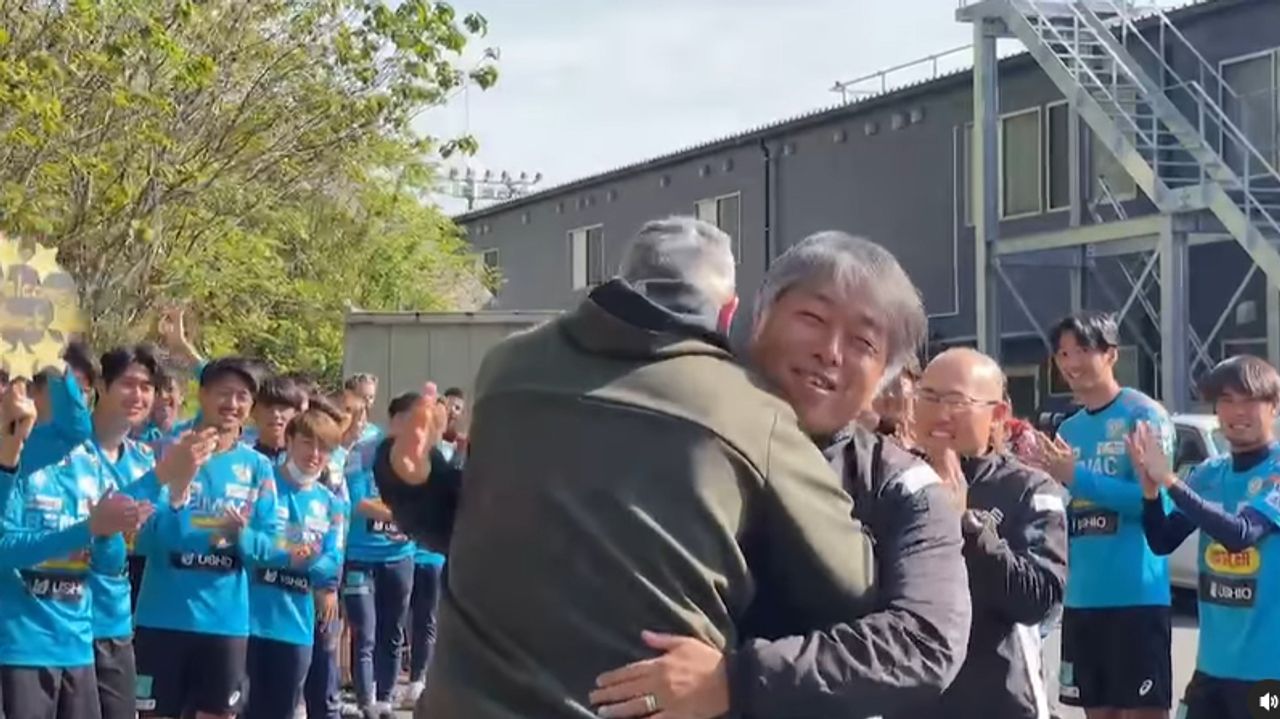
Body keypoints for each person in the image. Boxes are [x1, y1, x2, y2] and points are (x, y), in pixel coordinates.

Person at [376, 220, 970, 719]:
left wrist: (736, 678)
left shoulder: (901, 487)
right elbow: (513, 540)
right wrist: (418, 483)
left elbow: (925, 641)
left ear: (887, 377)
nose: (830, 352)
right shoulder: (672, 412)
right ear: (754, 316)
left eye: (864, 344)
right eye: (813, 319)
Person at [0, 365, 207, 719]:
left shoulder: (85, 464)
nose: (74, 402)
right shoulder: (14, 464)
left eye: (79, 392)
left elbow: (110, 560)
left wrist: (112, 528)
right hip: (20, 647)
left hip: (79, 642)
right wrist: (90, 527)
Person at [1026, 312, 1175, 719]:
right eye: (1063, 353)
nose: (1071, 363)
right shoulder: (1069, 431)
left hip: (1136, 598)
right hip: (1082, 600)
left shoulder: (1143, 416)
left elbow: (1156, 500)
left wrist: (1078, 477)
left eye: (1083, 350)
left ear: (1111, 354)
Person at [911, 348, 1068, 719]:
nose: (939, 412)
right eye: (928, 397)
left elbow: (1039, 600)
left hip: (999, 701)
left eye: (955, 400)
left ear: (998, 413)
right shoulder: (891, 477)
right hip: (912, 699)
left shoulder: (1030, 488)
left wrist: (967, 524)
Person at [1134, 355, 1280, 718]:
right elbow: (1162, 540)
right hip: (1211, 668)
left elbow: (1241, 534)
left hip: (1267, 673)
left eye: (1249, 400)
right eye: (1226, 401)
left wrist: (1169, 480)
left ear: (1274, 406)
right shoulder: (1209, 472)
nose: (1237, 411)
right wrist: (1151, 491)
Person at [132, 357, 278, 719]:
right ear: (203, 395)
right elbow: (144, 540)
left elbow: (272, 546)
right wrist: (178, 492)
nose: (232, 404)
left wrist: (241, 537)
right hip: (162, 617)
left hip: (225, 622)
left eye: (242, 396)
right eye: (223, 393)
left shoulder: (258, 467)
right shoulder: (165, 452)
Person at [241, 409, 345, 719]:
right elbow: (247, 543)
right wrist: (291, 554)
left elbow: (331, 562)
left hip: (295, 626)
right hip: (248, 619)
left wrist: (302, 559)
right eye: (306, 443)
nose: (314, 455)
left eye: (323, 448)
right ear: (288, 441)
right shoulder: (262, 483)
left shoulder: (332, 503)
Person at [344, 394, 418, 718]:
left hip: (401, 557)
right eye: (409, 419)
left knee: (393, 629)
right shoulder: (363, 452)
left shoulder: (421, 457)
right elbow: (357, 502)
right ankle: (365, 702)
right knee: (365, 631)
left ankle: (385, 699)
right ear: (394, 420)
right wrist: (403, 515)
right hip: (361, 556)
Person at [302, 397, 352, 719]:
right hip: (279, 586)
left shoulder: (333, 476)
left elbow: (337, 537)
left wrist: (329, 584)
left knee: (324, 662)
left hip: (322, 583)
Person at [248, 376, 308, 463]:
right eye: (268, 407)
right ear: (253, 412)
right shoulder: (242, 459)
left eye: (283, 407)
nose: (276, 414)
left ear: (296, 413)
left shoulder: (307, 459)